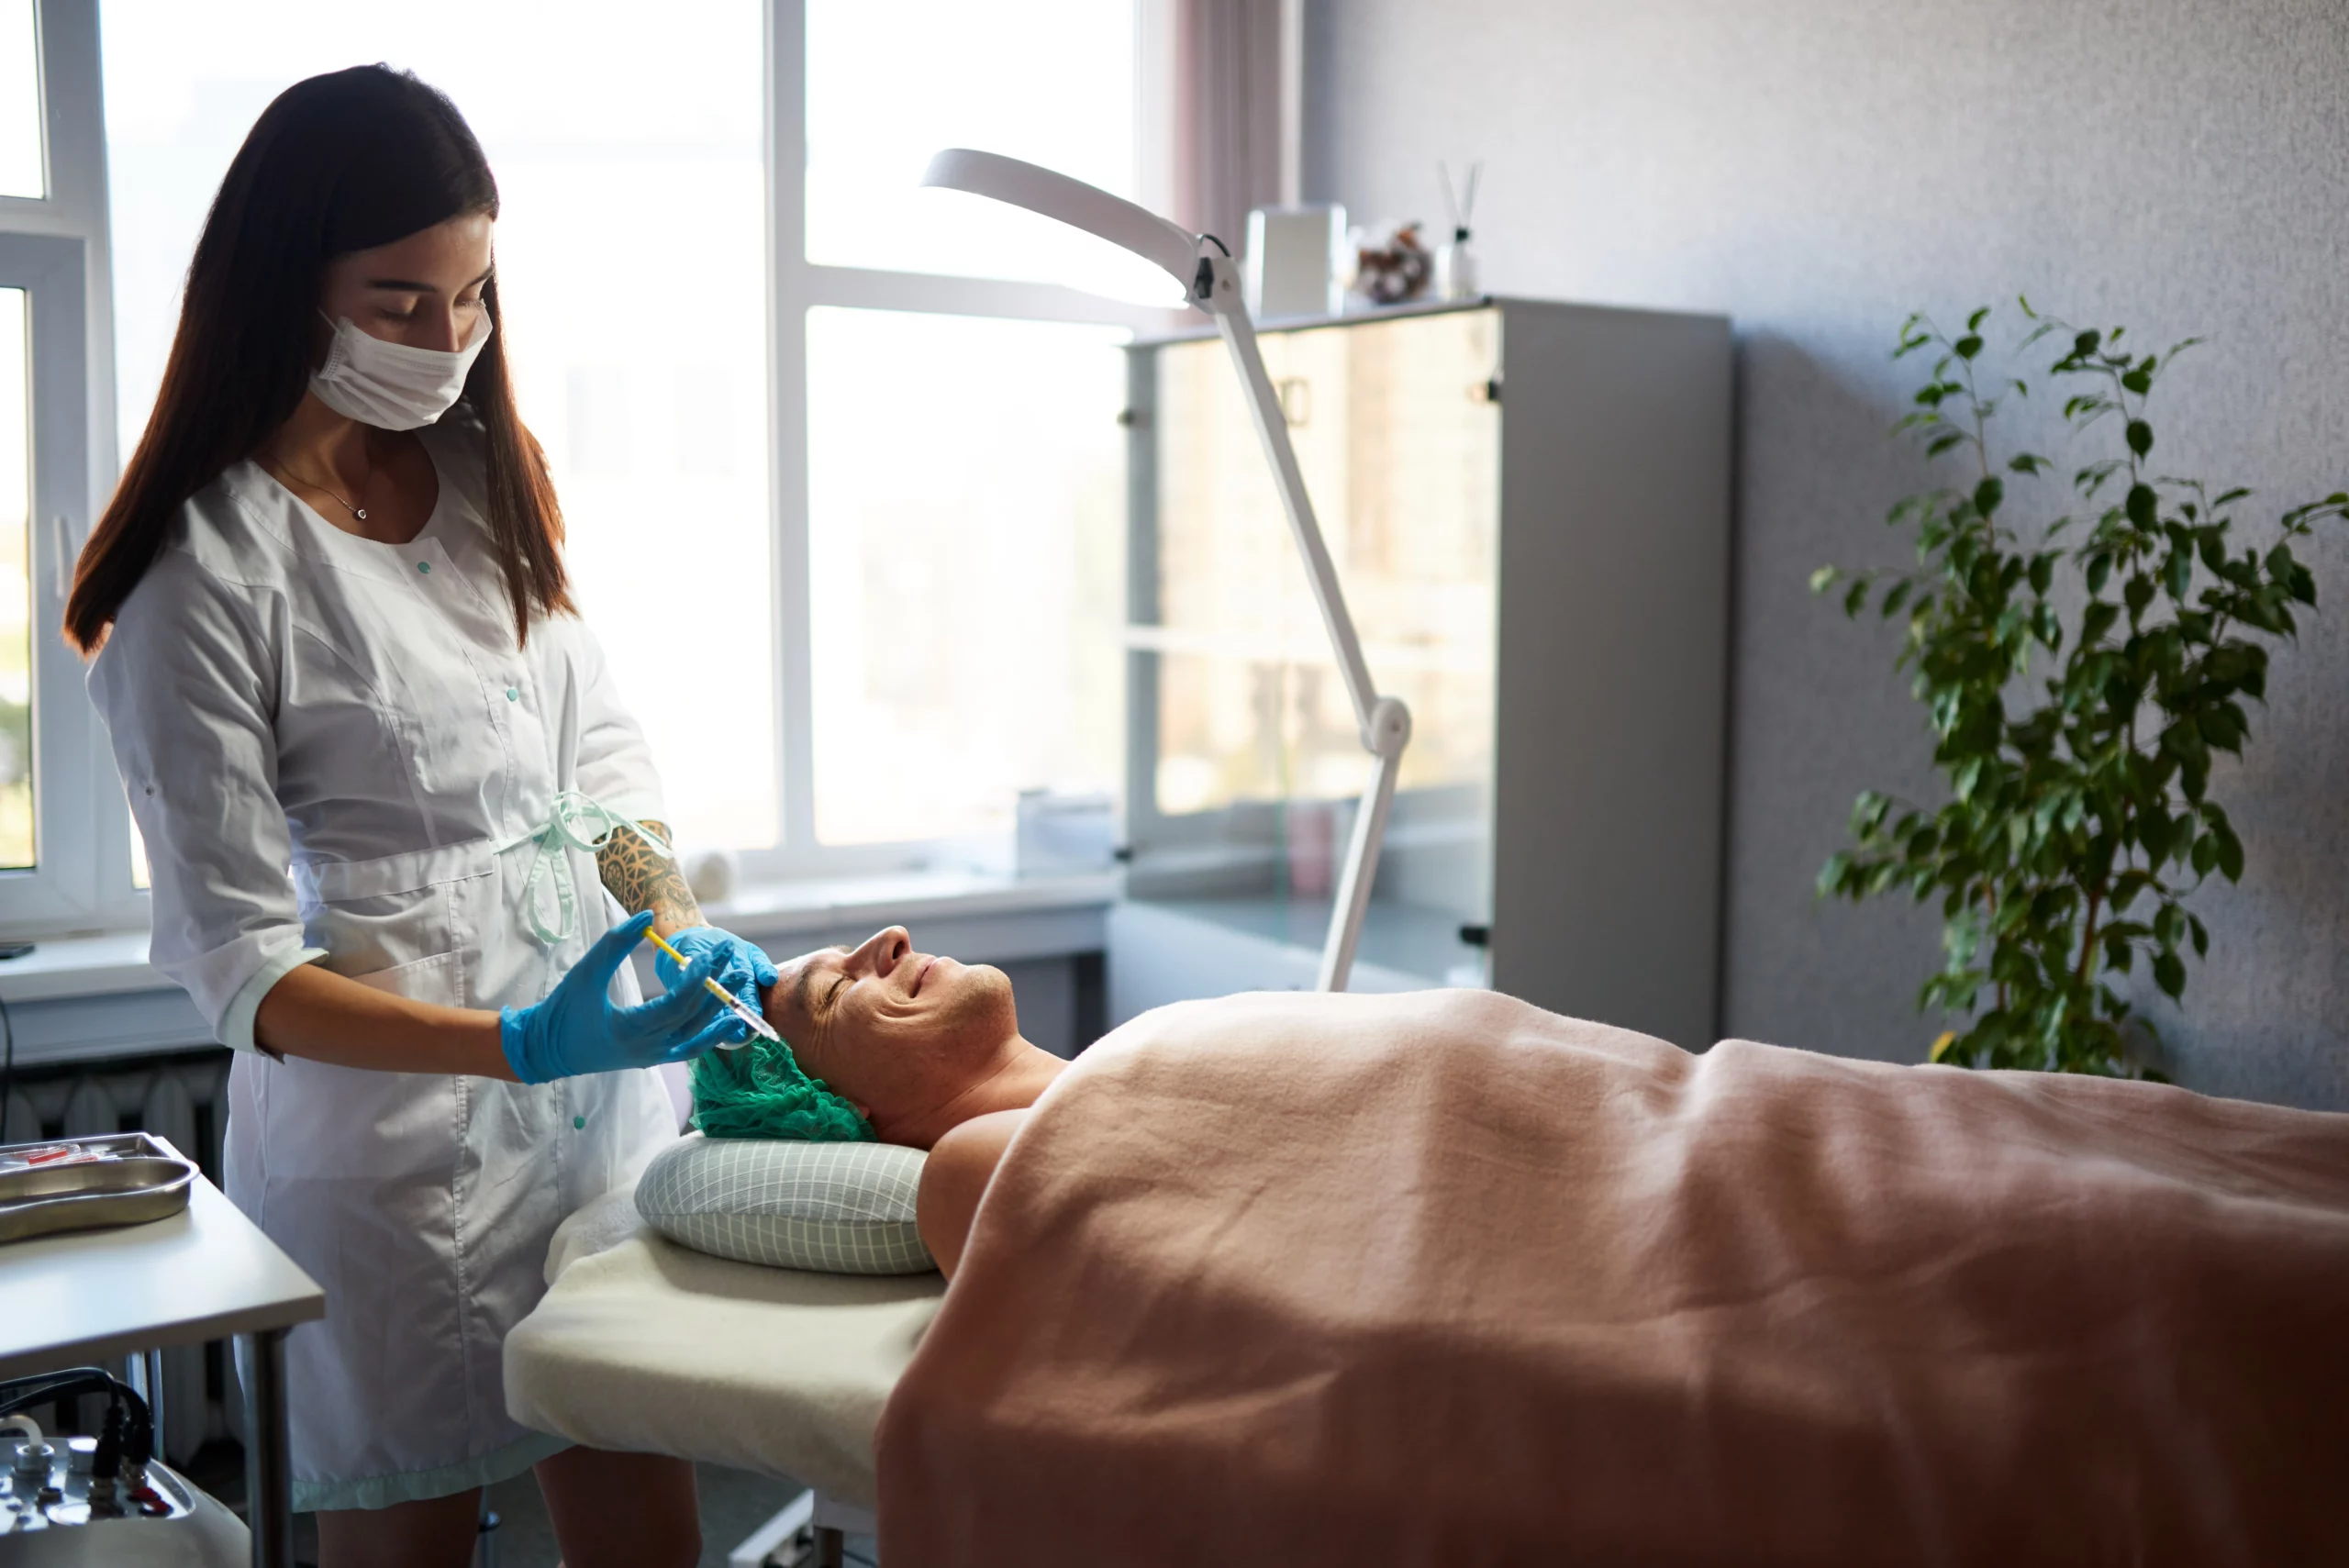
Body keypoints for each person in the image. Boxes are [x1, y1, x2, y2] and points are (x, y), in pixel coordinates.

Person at [68, 66, 769, 1568]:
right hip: (392, 1166)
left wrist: (672, 923)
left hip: (590, 1130)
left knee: (648, 1528)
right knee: (409, 1535)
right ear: (286, 284)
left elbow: (595, 768)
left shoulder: (488, 476)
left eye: (473, 295)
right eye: (399, 302)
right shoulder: (204, 574)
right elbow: (246, 974)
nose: (448, 341)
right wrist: (516, 1043)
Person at [751, 926, 1067, 1276]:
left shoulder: (1107, 1060)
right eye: (835, 989)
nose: (894, 936)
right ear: (835, 1110)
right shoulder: (977, 1168)